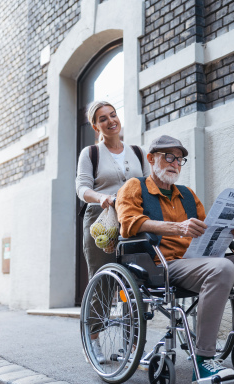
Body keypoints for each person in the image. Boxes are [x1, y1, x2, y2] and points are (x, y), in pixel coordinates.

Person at [115, 134, 234, 384]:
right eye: (169, 157)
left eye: (180, 159)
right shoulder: (135, 187)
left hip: (201, 261)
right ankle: (203, 362)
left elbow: (208, 228)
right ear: (151, 159)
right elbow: (128, 225)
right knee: (220, 267)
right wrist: (177, 228)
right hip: (163, 265)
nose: (175, 163)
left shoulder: (187, 195)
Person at [75, 100, 151, 363]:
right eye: (103, 118)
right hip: (103, 222)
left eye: (113, 115)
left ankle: (132, 345)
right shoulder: (91, 153)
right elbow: (81, 188)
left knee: (135, 283)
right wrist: (101, 198)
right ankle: (93, 338)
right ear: (96, 126)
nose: (110, 121)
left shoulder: (138, 152)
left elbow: (150, 185)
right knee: (105, 282)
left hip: (133, 221)